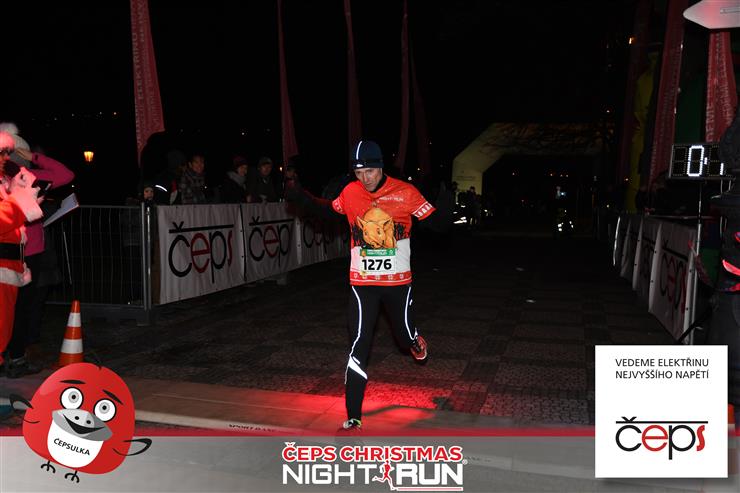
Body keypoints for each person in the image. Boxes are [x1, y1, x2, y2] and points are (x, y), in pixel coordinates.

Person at [286, 140, 437, 432]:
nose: (365, 178)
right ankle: (354, 415)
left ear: (380, 167)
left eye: (370, 171)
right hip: (362, 284)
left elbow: (435, 220)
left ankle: (416, 341)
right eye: (358, 172)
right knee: (359, 342)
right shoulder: (351, 192)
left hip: (397, 285)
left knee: (404, 337)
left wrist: (446, 217)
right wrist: (302, 197)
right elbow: (329, 211)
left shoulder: (405, 192)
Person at [1, 127, 74, 378]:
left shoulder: (22, 176)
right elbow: (65, 174)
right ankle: (15, 358)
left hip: (25, 253)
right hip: (19, 254)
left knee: (19, 309)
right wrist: (33, 158)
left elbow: (65, 175)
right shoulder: (20, 178)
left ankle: (13, 356)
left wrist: (33, 158)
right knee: (18, 309)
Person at [0, 131, 43, 390]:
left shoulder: (5, 182)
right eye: (2, 153)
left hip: (9, 268)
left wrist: (26, 199)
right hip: (2, 267)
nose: (6, 158)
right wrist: (22, 204)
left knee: (4, 331)